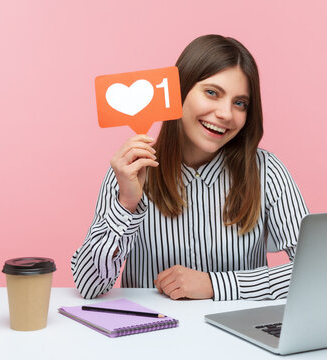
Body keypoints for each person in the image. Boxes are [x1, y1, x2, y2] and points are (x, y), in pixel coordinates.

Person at [72, 34, 308, 301]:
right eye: (212, 93)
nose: (226, 114)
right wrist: (126, 204)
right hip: (151, 337)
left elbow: (316, 272)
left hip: (239, 339)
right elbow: (88, 286)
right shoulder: (132, 171)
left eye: (239, 103)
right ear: (178, 93)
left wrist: (216, 285)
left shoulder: (267, 171)